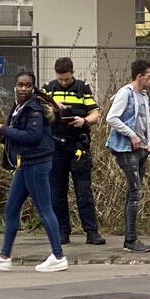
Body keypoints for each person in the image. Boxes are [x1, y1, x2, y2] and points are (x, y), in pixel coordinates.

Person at [0, 72, 68, 272]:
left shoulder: (34, 108)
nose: (23, 88)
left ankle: (58, 255)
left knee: (45, 209)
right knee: (11, 208)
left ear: (33, 87)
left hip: (36, 162)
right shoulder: (19, 106)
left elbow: (33, 136)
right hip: (24, 163)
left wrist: (3, 130)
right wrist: (0, 132)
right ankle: (4, 255)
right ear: (15, 86)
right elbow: (14, 131)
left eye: (28, 85)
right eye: (20, 85)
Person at [41, 57, 105, 245]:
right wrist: (52, 108)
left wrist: (83, 121)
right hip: (55, 146)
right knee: (57, 191)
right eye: (60, 79)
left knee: (83, 191)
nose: (63, 82)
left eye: (66, 79)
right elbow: (39, 110)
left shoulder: (82, 88)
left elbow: (96, 114)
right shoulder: (48, 89)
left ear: (72, 74)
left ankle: (91, 231)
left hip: (77, 145)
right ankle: (62, 231)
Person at [106, 60, 150, 253]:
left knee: (133, 192)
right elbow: (112, 118)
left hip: (142, 148)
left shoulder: (143, 95)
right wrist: (131, 134)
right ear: (139, 76)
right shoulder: (125, 93)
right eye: (149, 76)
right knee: (135, 192)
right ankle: (131, 240)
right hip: (126, 149)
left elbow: (146, 120)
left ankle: (130, 236)